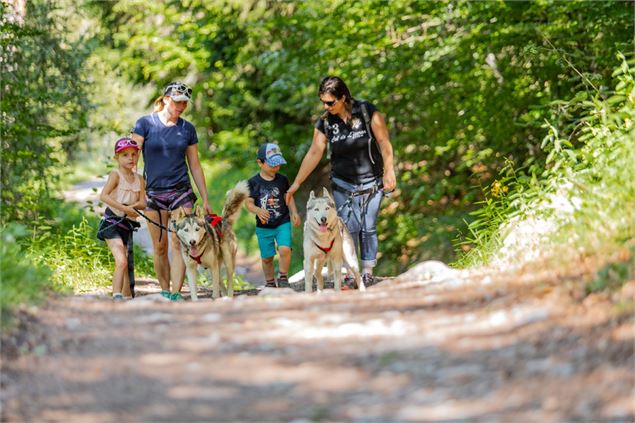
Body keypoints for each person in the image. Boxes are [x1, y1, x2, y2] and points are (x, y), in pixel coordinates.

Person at [286, 76, 396, 288]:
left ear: (343, 97)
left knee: (369, 226)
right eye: (323, 102)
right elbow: (315, 152)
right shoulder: (326, 122)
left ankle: (367, 271)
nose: (326, 107)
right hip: (342, 183)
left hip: (372, 181)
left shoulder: (367, 112)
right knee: (348, 227)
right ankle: (349, 273)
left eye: (330, 102)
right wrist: (296, 184)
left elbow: (383, 141)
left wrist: (389, 171)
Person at [130, 81, 212, 301]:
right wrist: (136, 190)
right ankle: (164, 290)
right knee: (159, 246)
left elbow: (195, 164)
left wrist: (204, 197)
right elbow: (132, 157)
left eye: (184, 102)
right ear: (166, 98)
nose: (181, 106)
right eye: (177, 101)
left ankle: (176, 292)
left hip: (181, 192)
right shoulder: (145, 124)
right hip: (153, 194)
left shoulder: (187, 129)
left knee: (178, 242)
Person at [97, 137, 146, 301]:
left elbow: (143, 202)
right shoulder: (115, 175)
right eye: (125, 155)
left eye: (134, 154)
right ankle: (116, 295)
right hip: (112, 222)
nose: (130, 158)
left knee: (126, 262)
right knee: (121, 260)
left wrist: (134, 208)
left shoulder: (139, 179)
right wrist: (125, 208)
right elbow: (103, 196)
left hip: (127, 224)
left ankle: (126, 296)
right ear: (116, 157)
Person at [246, 143, 301, 288]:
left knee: (285, 249)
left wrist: (294, 212)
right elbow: (249, 204)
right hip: (264, 227)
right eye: (272, 165)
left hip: (283, 222)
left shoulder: (282, 179)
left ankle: (283, 276)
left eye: (278, 164)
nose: (276, 168)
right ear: (260, 163)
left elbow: (288, 196)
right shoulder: (253, 183)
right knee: (267, 258)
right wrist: (257, 211)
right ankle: (270, 282)